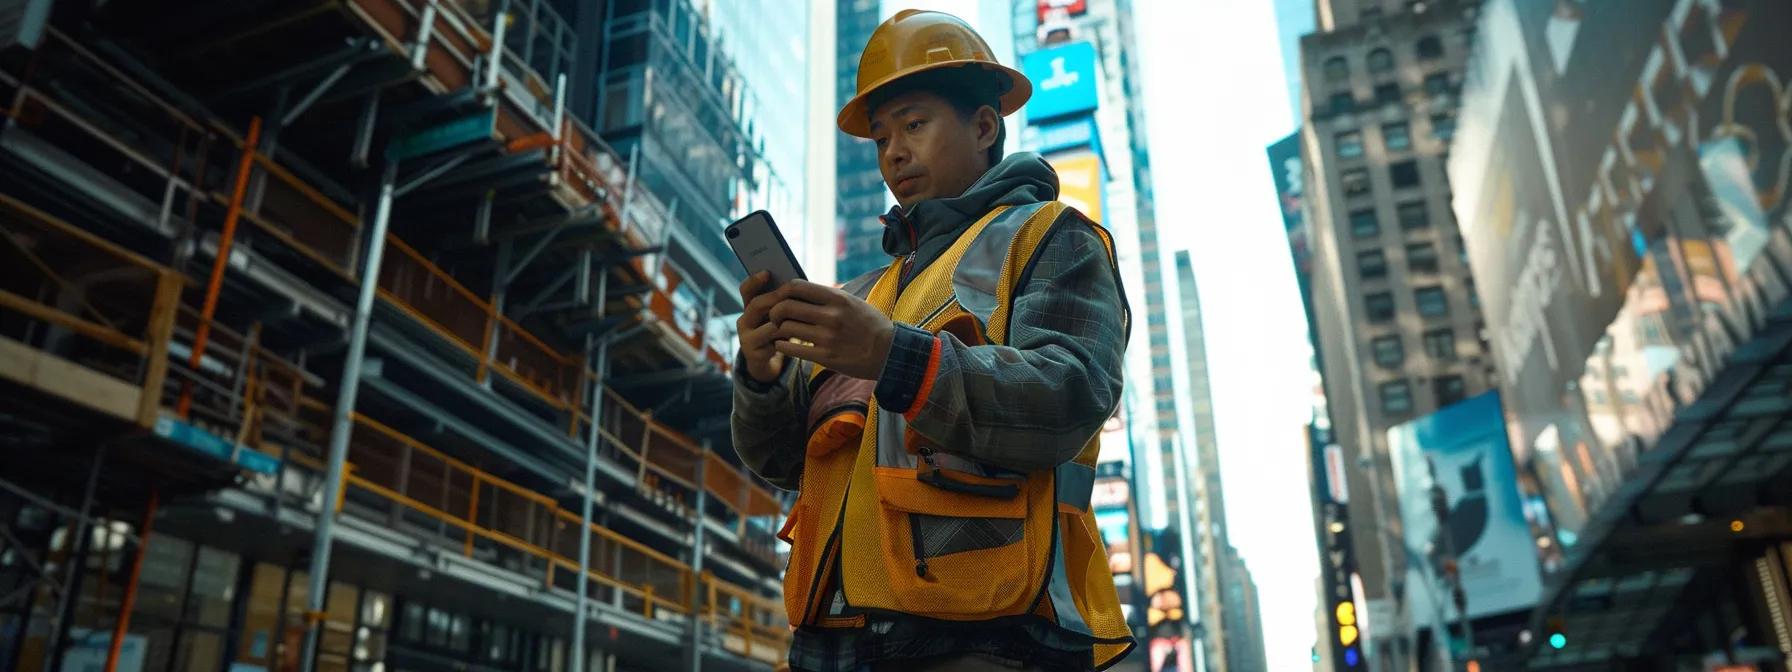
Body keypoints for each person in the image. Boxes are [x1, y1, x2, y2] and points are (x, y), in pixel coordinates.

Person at [732, 10, 1133, 672]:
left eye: (913, 125)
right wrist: (762, 376)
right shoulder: (864, 295)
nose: (892, 151)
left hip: (989, 638)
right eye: (881, 136)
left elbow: (1071, 396)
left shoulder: (1051, 236)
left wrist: (894, 356)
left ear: (983, 126)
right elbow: (781, 463)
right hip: (837, 642)